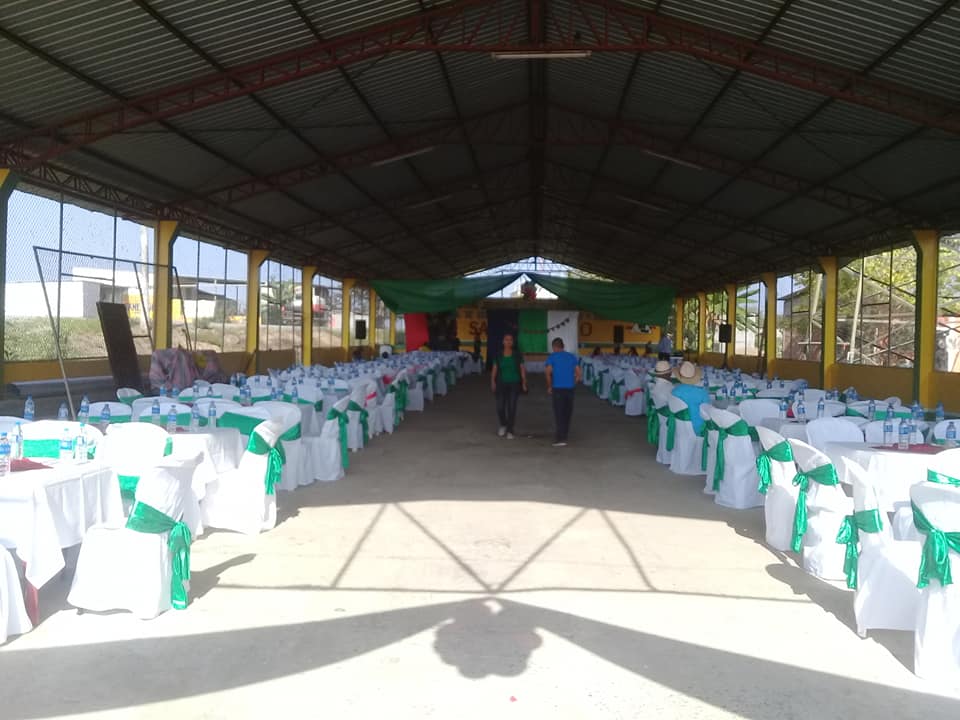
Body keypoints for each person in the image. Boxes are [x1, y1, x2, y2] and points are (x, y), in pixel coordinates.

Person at [545, 337, 582, 447]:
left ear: (554, 347)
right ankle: (564, 434)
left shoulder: (552, 357)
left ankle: (560, 438)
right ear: (563, 346)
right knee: (567, 412)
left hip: (558, 389)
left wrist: (549, 386)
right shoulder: (571, 357)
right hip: (570, 389)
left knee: (559, 413)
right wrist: (573, 383)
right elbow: (579, 373)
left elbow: (547, 373)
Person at [490, 333, 526, 439]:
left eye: (510, 340)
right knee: (500, 407)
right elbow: (495, 368)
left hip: (514, 383)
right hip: (501, 383)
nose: (508, 341)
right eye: (506, 339)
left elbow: (522, 369)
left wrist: (524, 382)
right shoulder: (498, 354)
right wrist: (492, 381)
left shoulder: (517, 355)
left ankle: (510, 430)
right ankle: (503, 424)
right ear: (503, 342)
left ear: (513, 342)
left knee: (512, 407)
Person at [670, 361, 709, 436]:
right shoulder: (702, 393)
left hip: (677, 426)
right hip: (698, 428)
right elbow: (707, 411)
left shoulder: (674, 391)